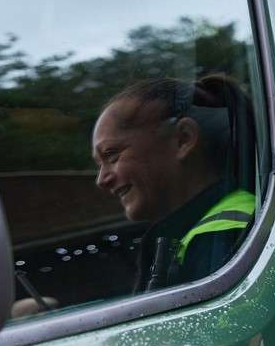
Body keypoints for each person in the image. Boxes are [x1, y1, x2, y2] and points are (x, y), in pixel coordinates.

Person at [92, 75, 255, 293]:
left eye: (112, 155)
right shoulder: (195, 233)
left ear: (183, 139)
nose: (101, 180)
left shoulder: (225, 234)